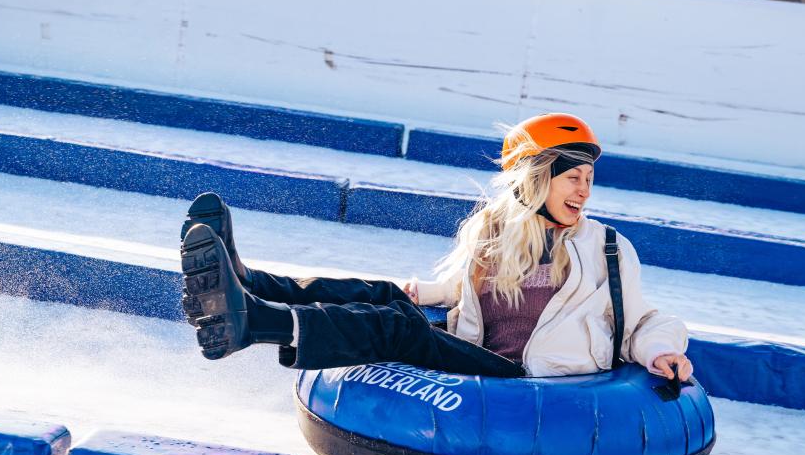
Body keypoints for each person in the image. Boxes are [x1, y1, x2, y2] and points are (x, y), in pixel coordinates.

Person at [180, 112, 693, 382]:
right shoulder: (497, 233)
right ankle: (250, 283)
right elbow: (484, 292)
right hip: (476, 353)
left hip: (527, 380)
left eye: (588, 179)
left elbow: (644, 318)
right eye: (572, 178)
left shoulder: (604, 248)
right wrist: (424, 291)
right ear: (535, 181)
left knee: (397, 328)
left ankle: (255, 323)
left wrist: (662, 350)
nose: (584, 190)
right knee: (384, 296)